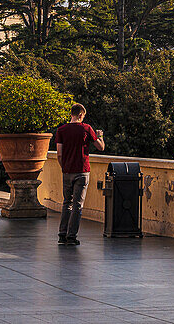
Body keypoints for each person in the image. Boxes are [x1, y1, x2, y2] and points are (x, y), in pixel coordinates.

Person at [54, 103, 104, 246]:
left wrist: (64, 167)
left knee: (66, 203)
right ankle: (72, 236)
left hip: (67, 171)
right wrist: (100, 136)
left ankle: (62, 234)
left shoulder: (61, 130)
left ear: (72, 114)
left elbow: (59, 154)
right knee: (77, 205)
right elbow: (101, 147)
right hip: (82, 171)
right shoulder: (87, 128)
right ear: (81, 115)